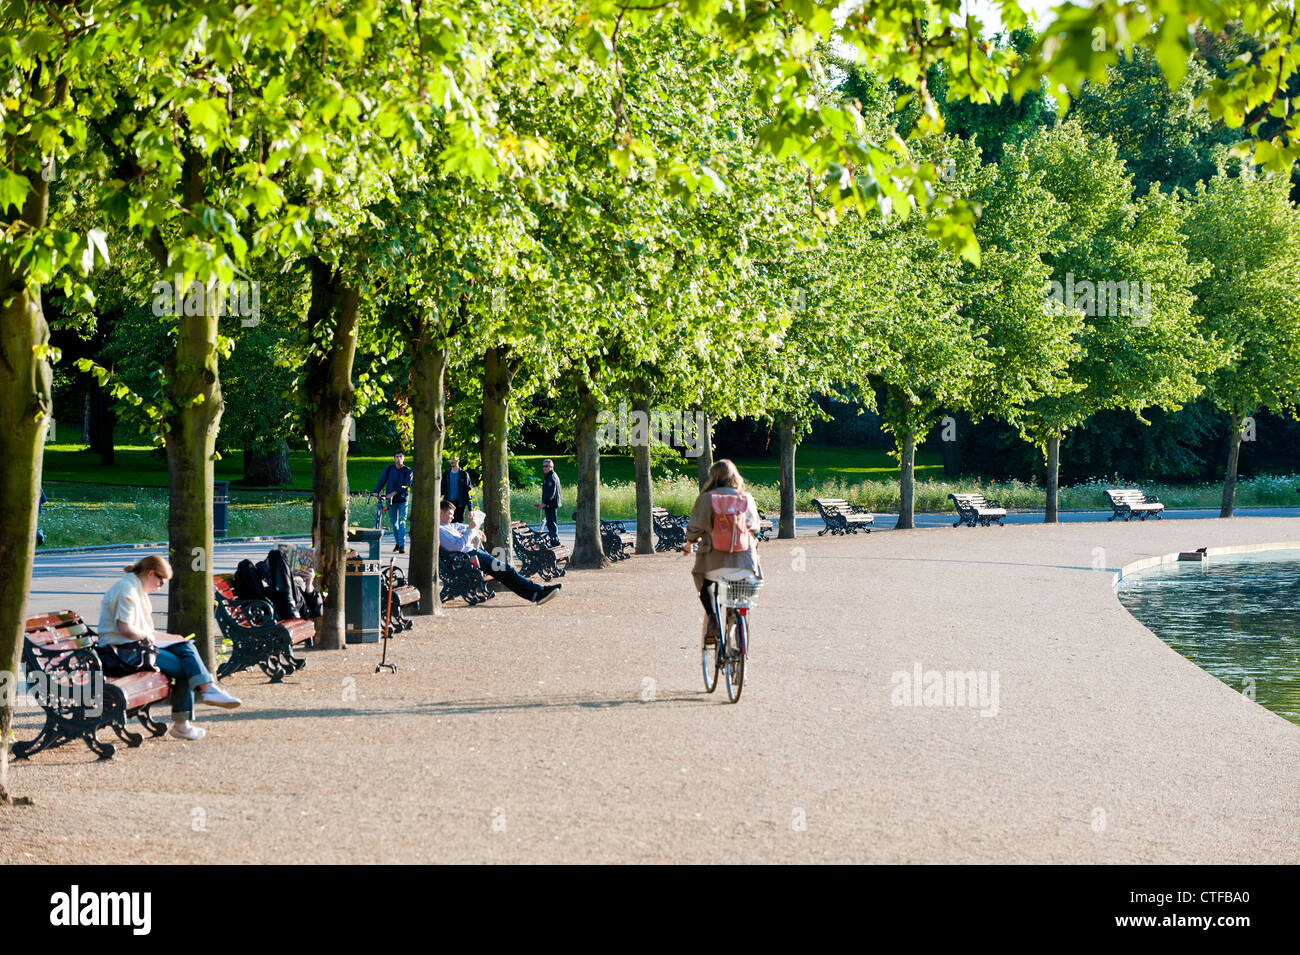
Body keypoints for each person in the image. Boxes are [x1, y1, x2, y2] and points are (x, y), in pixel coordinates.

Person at [98, 555, 241, 741]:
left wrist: (170, 638)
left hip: (134, 648)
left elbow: (144, 631)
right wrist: (151, 637)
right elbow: (124, 627)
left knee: (185, 646)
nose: (160, 587)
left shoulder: (136, 589)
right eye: (160, 581)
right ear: (150, 574)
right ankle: (191, 713)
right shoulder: (128, 589)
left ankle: (207, 691)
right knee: (184, 667)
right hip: (122, 652)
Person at [683, 459, 763, 644]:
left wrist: (690, 542)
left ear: (713, 477)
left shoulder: (706, 498)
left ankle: (712, 619)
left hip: (714, 562)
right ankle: (736, 622)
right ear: (734, 476)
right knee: (740, 591)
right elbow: (755, 528)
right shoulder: (746, 498)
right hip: (744, 562)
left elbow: (695, 528)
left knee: (706, 585)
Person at [438, 500, 561, 604]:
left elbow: (461, 526)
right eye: (450, 514)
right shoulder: (440, 530)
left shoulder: (448, 526)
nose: (452, 517)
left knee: (506, 572)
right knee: (506, 571)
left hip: (474, 555)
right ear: (440, 512)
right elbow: (458, 546)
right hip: (469, 558)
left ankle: (538, 592)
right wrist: (471, 530)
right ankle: (537, 593)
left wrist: (475, 530)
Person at [372, 450, 414, 552]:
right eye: (396, 456)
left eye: (400, 456)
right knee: (394, 524)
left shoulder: (408, 471)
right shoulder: (389, 469)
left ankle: (402, 546)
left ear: (403, 458)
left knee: (402, 522)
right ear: (394, 458)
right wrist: (376, 491)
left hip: (402, 500)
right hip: (391, 501)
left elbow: (406, 486)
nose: (398, 458)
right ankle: (398, 543)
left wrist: (394, 493)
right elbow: (382, 480)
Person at [440, 457, 474, 523]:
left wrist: (470, 509)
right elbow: (441, 490)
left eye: (453, 458)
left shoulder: (464, 474)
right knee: (447, 525)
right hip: (448, 504)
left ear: (458, 459)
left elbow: (468, 492)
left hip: (460, 504)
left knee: (458, 525)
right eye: (450, 459)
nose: (451, 461)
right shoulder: (446, 474)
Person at [540, 459, 561, 544]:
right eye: (543, 466)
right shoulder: (550, 475)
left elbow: (551, 492)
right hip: (551, 504)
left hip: (551, 504)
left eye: (546, 466)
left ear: (551, 467)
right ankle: (554, 539)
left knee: (551, 523)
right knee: (551, 522)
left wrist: (545, 503)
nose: (544, 468)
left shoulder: (551, 477)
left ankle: (555, 541)